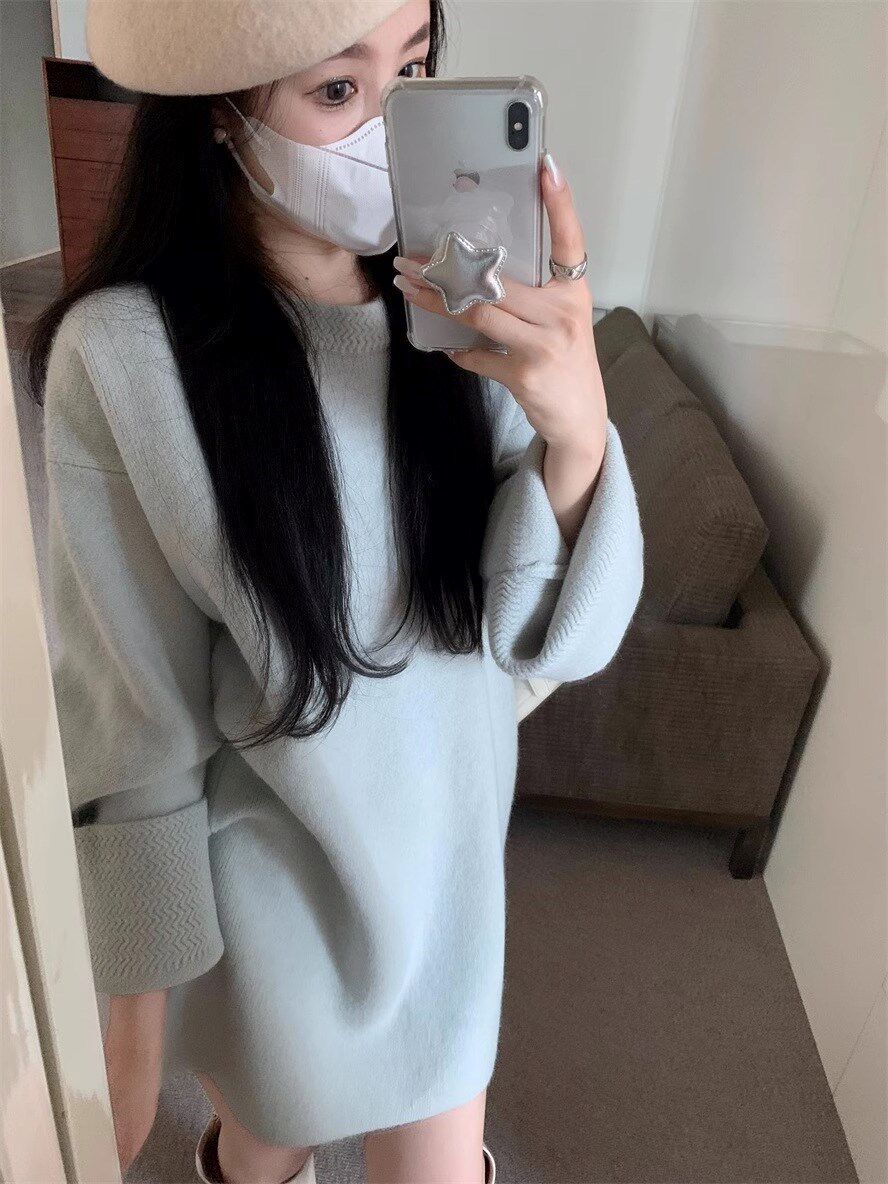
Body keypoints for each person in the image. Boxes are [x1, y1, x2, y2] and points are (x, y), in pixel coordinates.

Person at [27, 0, 644, 1180]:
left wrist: (576, 435)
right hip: (279, 898)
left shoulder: (473, 308)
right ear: (221, 110)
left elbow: (543, 644)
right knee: (267, 1149)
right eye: (336, 89)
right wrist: (130, 1033)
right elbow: (135, 707)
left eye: (414, 68)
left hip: (449, 877)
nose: (387, 126)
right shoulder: (124, 358)